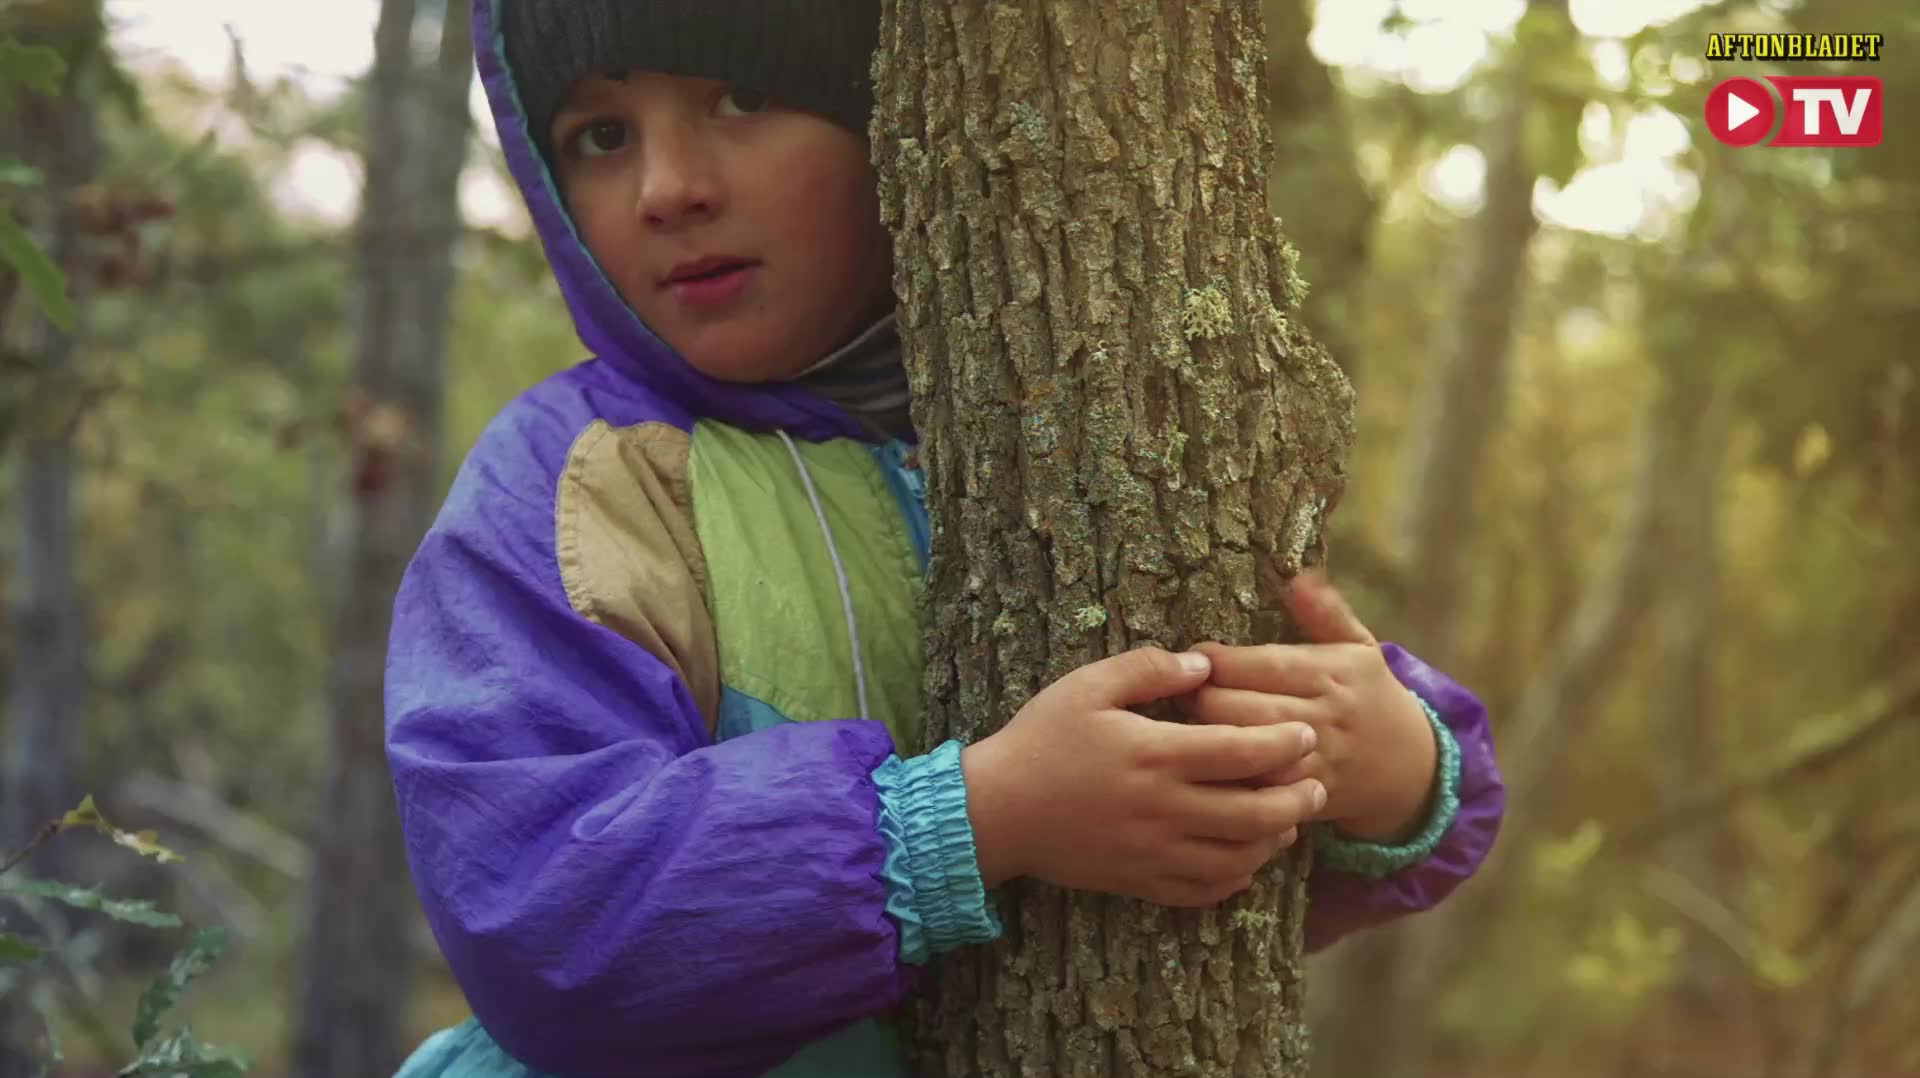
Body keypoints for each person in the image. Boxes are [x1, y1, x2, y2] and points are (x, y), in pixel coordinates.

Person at [385, 2, 1506, 1075]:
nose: (668, 188)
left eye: (743, 96)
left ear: (896, 113)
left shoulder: (1084, 418)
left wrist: (1397, 773)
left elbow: (1211, 881)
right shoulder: (578, 482)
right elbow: (539, 910)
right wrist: (966, 824)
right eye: (602, 136)